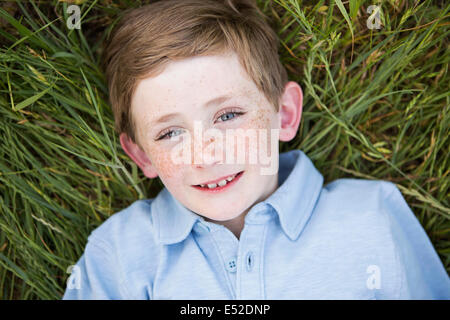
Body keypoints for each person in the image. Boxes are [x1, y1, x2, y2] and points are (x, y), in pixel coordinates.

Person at [62, 0, 450, 299]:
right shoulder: (118, 253)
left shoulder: (371, 215)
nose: (206, 154)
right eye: (169, 134)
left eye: (228, 115)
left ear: (283, 115)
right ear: (142, 155)